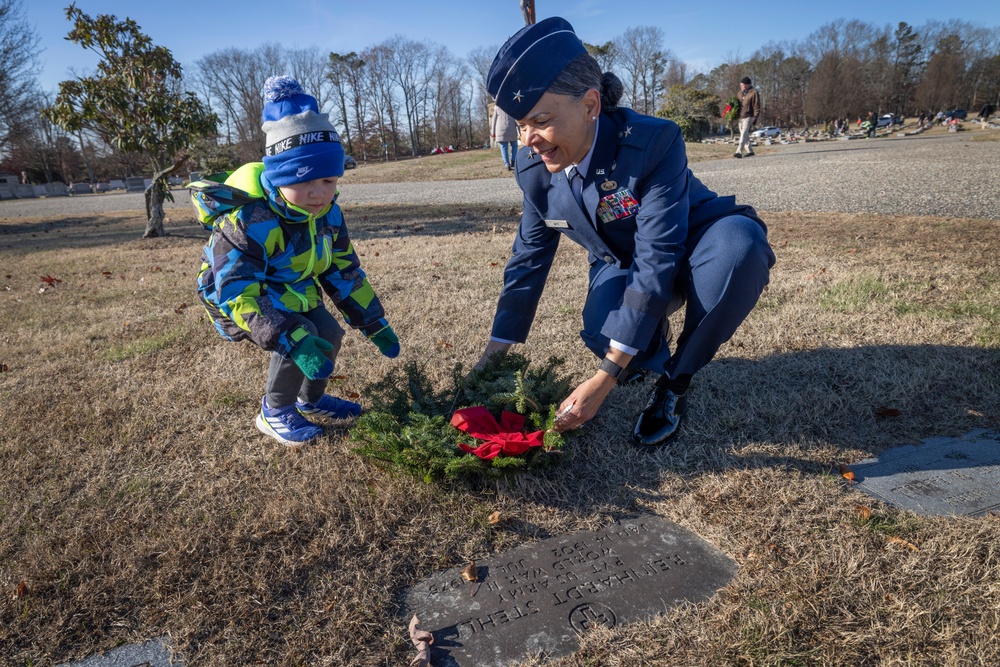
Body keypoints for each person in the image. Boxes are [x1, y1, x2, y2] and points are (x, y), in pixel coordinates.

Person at [476, 18, 775, 448]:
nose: (528, 140)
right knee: (603, 328)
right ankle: (644, 345)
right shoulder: (533, 168)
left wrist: (607, 374)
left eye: (540, 121)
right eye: (521, 125)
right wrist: (492, 356)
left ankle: (674, 384)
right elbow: (528, 259)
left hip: (699, 242)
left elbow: (659, 255)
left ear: (591, 105)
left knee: (740, 251)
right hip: (621, 260)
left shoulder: (652, 142)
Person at [193, 76, 400, 446]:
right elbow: (237, 287)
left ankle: (312, 399)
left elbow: (342, 268)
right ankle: (274, 410)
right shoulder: (249, 220)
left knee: (330, 333)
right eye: (305, 181)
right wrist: (289, 335)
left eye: (329, 180)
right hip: (240, 296)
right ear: (280, 175)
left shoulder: (328, 214)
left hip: (292, 286)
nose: (320, 193)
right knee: (300, 337)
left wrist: (373, 321)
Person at [734, 76, 760, 158]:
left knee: (743, 134)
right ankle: (750, 151)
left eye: (743, 85)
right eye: (741, 85)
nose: (742, 87)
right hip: (740, 117)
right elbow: (737, 104)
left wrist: (755, 116)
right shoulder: (739, 93)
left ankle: (739, 151)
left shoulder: (754, 93)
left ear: (748, 85)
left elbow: (757, 105)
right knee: (744, 135)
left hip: (749, 116)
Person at [491, 104, 519, 171]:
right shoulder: (511, 106)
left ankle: (507, 164)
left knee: (504, 148)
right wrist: (520, 131)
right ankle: (513, 160)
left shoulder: (497, 107)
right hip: (511, 128)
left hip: (500, 130)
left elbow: (494, 121)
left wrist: (493, 132)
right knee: (514, 145)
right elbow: (516, 119)